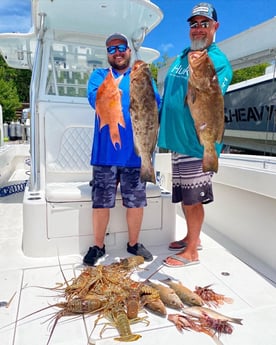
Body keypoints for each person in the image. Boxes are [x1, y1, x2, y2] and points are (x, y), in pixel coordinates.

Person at [158, 3, 233, 267]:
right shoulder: (183, 56)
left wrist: (199, 71)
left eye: (204, 23)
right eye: (194, 24)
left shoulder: (218, 62)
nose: (198, 28)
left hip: (197, 141)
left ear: (215, 27)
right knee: (184, 197)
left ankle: (191, 252)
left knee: (193, 200)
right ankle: (193, 238)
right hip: (178, 141)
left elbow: (212, 100)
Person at [83, 33, 161, 266]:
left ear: (129, 51)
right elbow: (95, 101)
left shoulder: (141, 76)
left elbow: (155, 104)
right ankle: (98, 246)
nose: (117, 52)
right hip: (105, 154)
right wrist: (113, 85)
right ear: (108, 55)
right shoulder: (99, 76)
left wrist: (143, 78)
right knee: (101, 203)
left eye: (121, 48)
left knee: (135, 203)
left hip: (135, 154)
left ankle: (133, 243)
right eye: (112, 49)